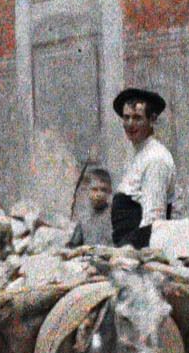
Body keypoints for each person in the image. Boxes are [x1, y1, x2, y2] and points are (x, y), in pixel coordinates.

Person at [110, 90, 176, 249]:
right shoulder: (136, 153)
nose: (130, 124)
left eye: (137, 118)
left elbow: (153, 223)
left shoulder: (156, 159)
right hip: (126, 247)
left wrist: (130, 254)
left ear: (152, 119)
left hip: (138, 252)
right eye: (126, 118)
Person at [67, 162, 115, 248]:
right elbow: (72, 246)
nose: (99, 194)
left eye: (103, 190)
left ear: (110, 191)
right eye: (94, 189)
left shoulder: (116, 216)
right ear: (88, 191)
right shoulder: (84, 218)